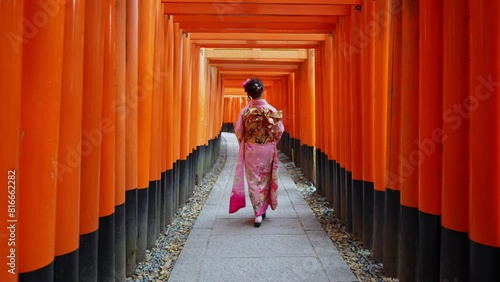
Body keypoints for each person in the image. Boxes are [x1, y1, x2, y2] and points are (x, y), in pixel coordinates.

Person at [229, 78, 285, 227]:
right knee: (266, 178)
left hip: (251, 149)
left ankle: (257, 213)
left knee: (253, 180)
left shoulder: (245, 111)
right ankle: (264, 207)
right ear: (262, 91)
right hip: (267, 147)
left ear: (249, 94)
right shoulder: (271, 110)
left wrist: (244, 141)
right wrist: (271, 142)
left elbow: (239, 131)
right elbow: (280, 130)